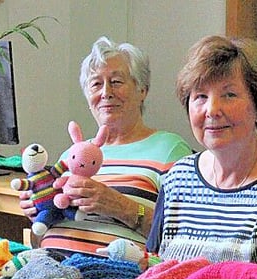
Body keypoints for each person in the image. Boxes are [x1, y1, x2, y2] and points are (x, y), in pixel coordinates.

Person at [146, 36, 257, 263]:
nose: (212, 110)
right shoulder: (176, 180)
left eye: (229, 95)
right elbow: (152, 268)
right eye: (200, 96)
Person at [19, 36, 193, 256]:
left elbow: (186, 239)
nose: (105, 92)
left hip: (115, 277)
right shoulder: (73, 154)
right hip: (48, 265)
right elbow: (40, 239)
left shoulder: (168, 149)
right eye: (96, 84)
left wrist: (121, 207)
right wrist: (38, 212)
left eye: (117, 81)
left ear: (142, 90)